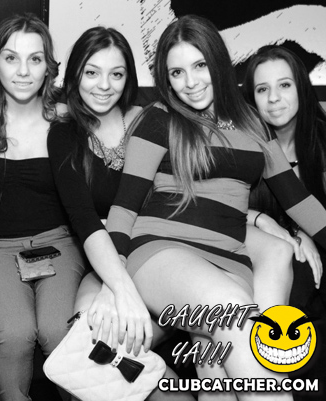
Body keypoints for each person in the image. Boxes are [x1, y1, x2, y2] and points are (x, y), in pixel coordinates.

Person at [106, 15, 326, 400]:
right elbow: (124, 208)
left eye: (200, 66)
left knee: (219, 384)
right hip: (161, 251)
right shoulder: (157, 119)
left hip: (229, 258)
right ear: (166, 78)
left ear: (218, 63)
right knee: (237, 318)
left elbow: (299, 201)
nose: (190, 82)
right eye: (177, 72)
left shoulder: (252, 123)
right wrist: (115, 283)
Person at [47, 26, 193, 401]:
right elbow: (84, 219)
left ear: (129, 77)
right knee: (83, 348)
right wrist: (117, 287)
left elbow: (187, 195)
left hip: (162, 255)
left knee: (112, 346)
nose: (103, 85)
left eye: (116, 74)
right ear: (75, 74)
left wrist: (260, 218)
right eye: (91, 72)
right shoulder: (64, 134)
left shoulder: (151, 121)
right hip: (105, 258)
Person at [0, 13, 87, 401]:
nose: (23, 71)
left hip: (59, 243)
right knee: (14, 332)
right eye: (11, 58)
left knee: (59, 328)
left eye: (35, 59)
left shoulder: (66, 120)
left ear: (48, 67)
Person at [243, 45, 326, 295]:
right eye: (262, 89)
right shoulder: (242, 144)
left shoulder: (322, 140)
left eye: (285, 85)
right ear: (252, 98)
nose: (273, 98)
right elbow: (214, 208)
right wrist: (290, 231)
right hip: (253, 251)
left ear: (301, 88)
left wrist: (300, 231)